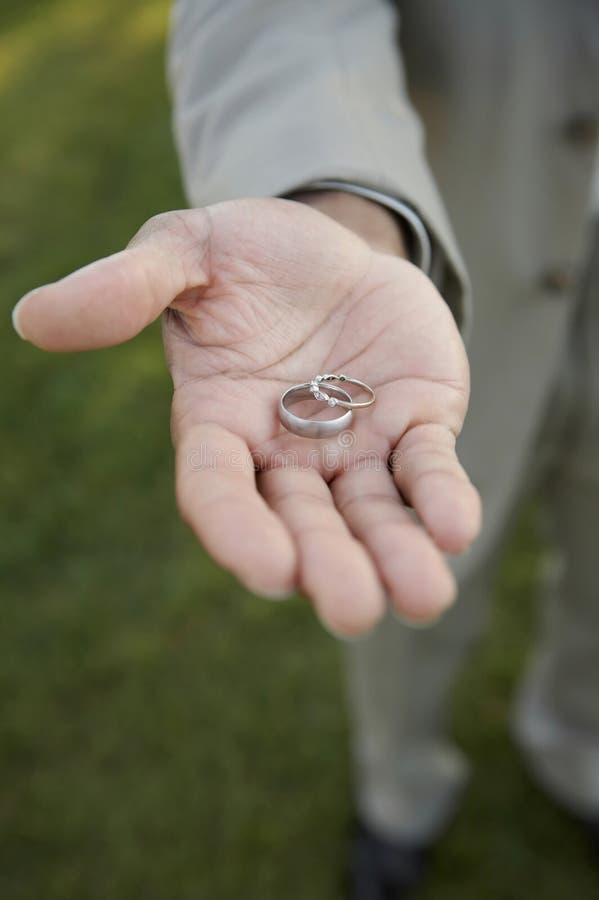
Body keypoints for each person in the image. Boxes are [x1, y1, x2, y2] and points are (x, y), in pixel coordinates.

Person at [11, 1, 599, 896]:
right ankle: (399, 795)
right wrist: (341, 211)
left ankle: (578, 747)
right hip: (448, 269)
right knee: (404, 582)